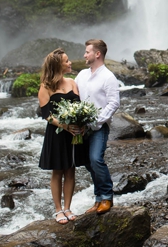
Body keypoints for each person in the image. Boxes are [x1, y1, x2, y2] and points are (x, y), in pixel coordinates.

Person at [37, 48, 87, 224]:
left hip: (73, 133)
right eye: (67, 61)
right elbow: (47, 115)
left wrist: (81, 124)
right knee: (57, 171)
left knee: (71, 170)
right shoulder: (46, 87)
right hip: (57, 133)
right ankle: (58, 210)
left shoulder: (72, 83)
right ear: (58, 65)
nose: (70, 63)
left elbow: (80, 108)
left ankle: (68, 208)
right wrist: (65, 126)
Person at [75, 39, 120, 215]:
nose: (84, 55)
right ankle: (98, 198)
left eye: (87, 52)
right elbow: (74, 95)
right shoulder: (82, 75)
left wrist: (96, 121)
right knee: (87, 162)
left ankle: (107, 197)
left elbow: (114, 103)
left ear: (97, 54)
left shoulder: (108, 77)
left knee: (96, 159)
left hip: (98, 127)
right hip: (81, 127)